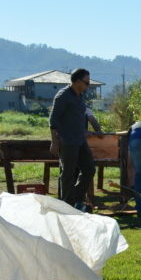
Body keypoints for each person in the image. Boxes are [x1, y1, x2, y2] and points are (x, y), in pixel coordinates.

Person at [48, 68, 97, 211]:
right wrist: (55, 142)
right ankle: (67, 206)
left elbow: (77, 117)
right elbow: (53, 120)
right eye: (86, 83)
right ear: (77, 81)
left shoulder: (79, 96)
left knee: (89, 169)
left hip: (80, 141)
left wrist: (84, 130)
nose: (88, 86)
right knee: (68, 174)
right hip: (67, 142)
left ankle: (76, 199)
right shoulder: (63, 96)